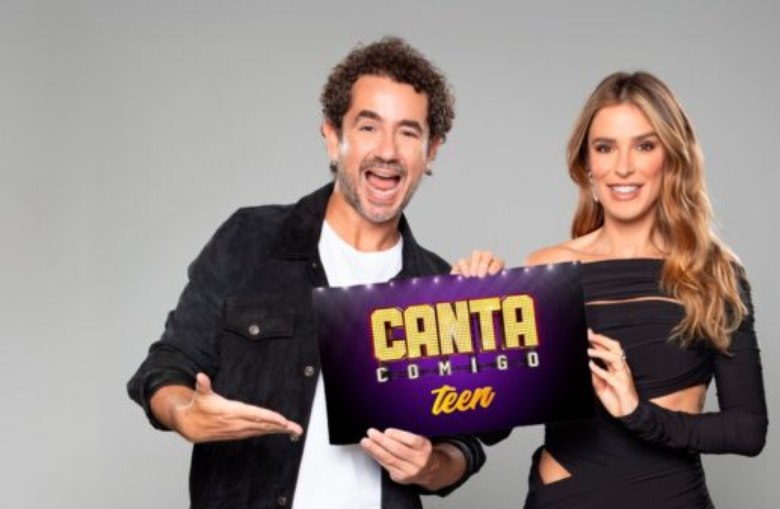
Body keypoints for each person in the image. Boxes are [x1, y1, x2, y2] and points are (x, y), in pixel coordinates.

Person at [127, 36, 503, 509]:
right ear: (332, 136)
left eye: (408, 133)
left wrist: (429, 466)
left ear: (431, 151)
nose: (388, 150)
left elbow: (468, 441)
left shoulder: (439, 287)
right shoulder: (250, 239)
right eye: (368, 127)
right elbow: (167, 365)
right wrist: (184, 411)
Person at [523, 71, 768, 508]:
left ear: (672, 157)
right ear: (587, 163)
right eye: (605, 147)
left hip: (668, 497)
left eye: (644, 145)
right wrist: (469, 306)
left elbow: (748, 430)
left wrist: (638, 414)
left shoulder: (715, 273)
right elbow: (498, 409)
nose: (623, 167)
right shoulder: (546, 269)